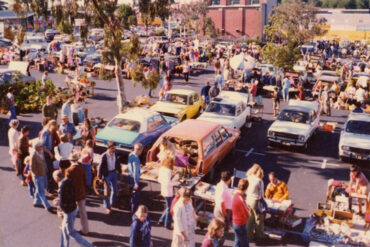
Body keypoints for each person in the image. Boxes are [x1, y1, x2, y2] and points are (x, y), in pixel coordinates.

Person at [57, 170, 93, 247]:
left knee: (71, 232)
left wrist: (58, 204)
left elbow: (63, 201)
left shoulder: (62, 185)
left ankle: (89, 245)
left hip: (68, 211)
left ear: (57, 178)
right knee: (64, 229)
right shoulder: (69, 181)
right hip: (73, 208)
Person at [66, 153, 89, 235]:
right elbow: (85, 181)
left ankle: (70, 228)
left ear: (70, 160)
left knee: (71, 213)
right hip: (81, 192)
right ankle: (85, 230)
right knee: (83, 212)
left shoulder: (69, 170)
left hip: (72, 194)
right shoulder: (82, 168)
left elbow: (67, 184)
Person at [98, 141, 121, 214]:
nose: (114, 149)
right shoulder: (104, 156)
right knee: (107, 191)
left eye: (115, 148)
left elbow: (118, 163)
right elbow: (100, 167)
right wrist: (100, 177)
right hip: (107, 174)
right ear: (109, 148)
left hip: (113, 173)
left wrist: (120, 172)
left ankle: (112, 202)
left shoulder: (115, 154)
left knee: (115, 189)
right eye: (113, 148)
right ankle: (107, 206)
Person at [30, 140, 53, 213]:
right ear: (37, 147)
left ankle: (36, 202)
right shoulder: (33, 155)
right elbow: (32, 167)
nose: (42, 147)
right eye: (41, 146)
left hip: (43, 173)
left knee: (39, 189)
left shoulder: (40, 152)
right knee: (41, 192)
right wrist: (37, 174)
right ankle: (47, 206)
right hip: (38, 175)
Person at [158, 157, 179, 229]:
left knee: (168, 207)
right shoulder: (168, 171)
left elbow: (160, 179)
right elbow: (168, 183)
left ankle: (161, 220)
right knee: (170, 208)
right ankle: (167, 224)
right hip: (168, 191)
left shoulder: (162, 169)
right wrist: (176, 182)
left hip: (163, 190)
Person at [246, 164, 265, 241]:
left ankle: (249, 235)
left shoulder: (249, 178)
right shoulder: (259, 180)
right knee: (258, 219)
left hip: (248, 200)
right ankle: (259, 235)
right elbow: (261, 194)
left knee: (249, 219)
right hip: (256, 201)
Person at [213, 171, 233, 246]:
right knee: (222, 232)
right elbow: (221, 203)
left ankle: (215, 244)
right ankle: (218, 245)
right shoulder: (223, 188)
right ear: (229, 179)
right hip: (223, 211)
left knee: (218, 230)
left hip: (220, 210)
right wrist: (225, 215)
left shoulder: (221, 185)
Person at [232, 178, 250, 247]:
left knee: (237, 241)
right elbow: (247, 213)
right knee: (245, 244)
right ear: (246, 189)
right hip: (241, 224)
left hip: (235, 221)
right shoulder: (241, 199)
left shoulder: (235, 195)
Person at [128, 143, 143, 214]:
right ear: (140, 150)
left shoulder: (131, 154)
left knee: (133, 194)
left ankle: (132, 210)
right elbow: (135, 172)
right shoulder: (136, 158)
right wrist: (136, 183)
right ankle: (134, 212)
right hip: (134, 179)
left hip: (130, 177)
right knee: (135, 196)